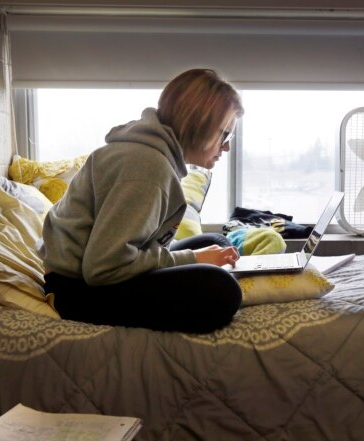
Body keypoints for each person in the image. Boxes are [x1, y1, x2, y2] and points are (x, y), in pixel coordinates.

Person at [39, 68, 243, 333]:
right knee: (222, 290)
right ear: (198, 125)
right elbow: (103, 268)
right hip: (78, 290)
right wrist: (194, 260)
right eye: (224, 135)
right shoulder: (147, 169)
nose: (226, 147)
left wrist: (197, 257)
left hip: (95, 272)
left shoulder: (151, 155)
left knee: (215, 243)